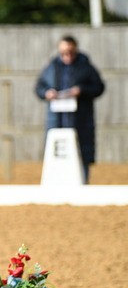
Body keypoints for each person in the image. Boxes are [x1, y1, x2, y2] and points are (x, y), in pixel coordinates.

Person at [34, 35, 105, 183]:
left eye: (70, 52)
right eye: (63, 53)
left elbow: (99, 87)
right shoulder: (52, 67)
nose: (67, 56)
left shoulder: (86, 67)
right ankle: (57, 183)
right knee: (57, 153)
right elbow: (39, 87)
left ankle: (83, 183)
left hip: (81, 119)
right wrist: (47, 93)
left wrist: (82, 90)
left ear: (76, 50)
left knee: (81, 152)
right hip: (57, 119)